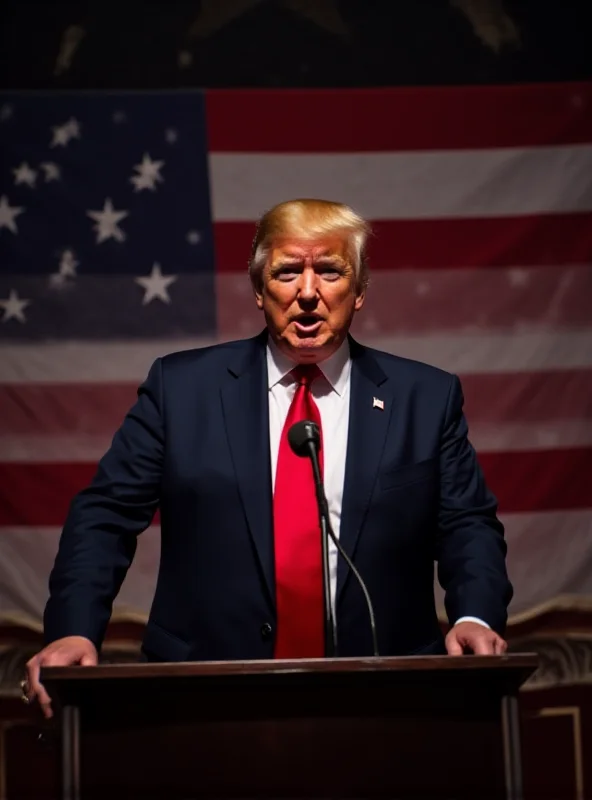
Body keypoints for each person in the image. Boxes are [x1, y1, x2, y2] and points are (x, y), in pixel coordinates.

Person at [24, 198, 513, 718]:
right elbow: (104, 517)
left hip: (383, 701)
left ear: (361, 289)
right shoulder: (182, 389)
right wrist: (75, 629)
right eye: (286, 272)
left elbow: (468, 525)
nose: (307, 293)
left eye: (329, 270)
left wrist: (476, 619)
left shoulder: (426, 398)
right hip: (205, 700)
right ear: (259, 290)